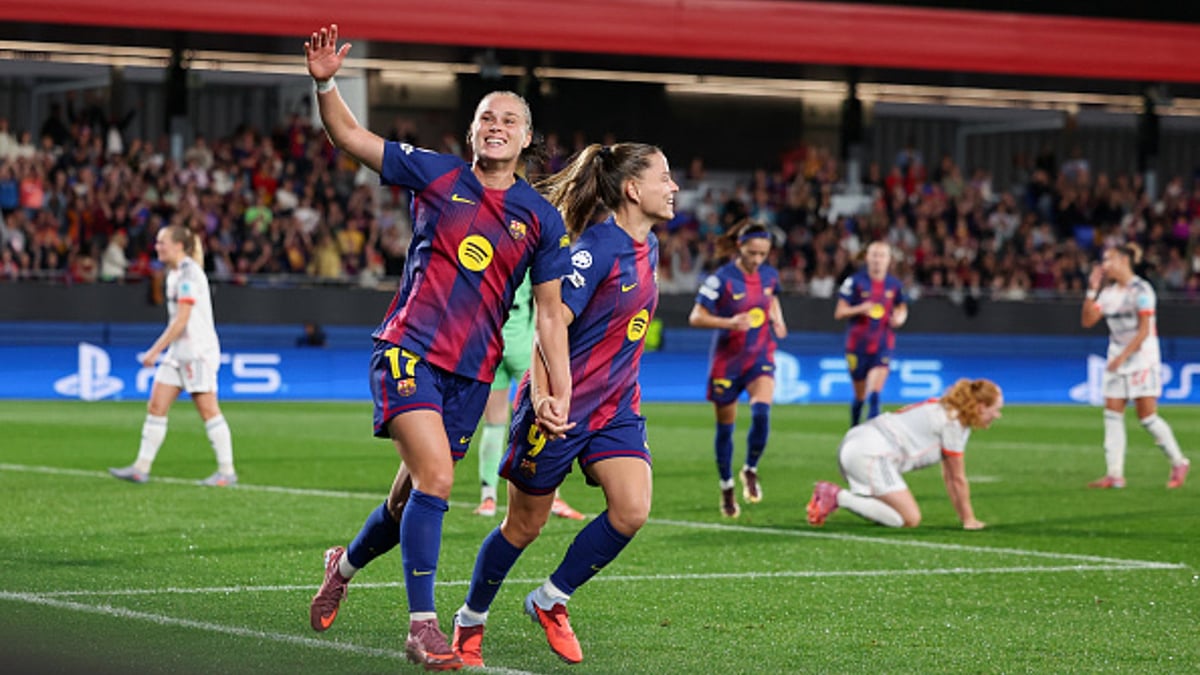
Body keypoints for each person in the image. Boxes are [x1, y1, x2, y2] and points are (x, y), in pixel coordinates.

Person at [302, 25, 572, 672]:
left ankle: (344, 565)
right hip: (409, 349)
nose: (496, 126)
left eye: (509, 120)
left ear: (526, 138)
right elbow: (350, 137)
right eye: (486, 118)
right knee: (439, 481)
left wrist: (556, 390)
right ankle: (422, 627)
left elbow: (549, 313)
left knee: (405, 503)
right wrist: (326, 85)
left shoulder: (541, 218)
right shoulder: (436, 172)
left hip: (472, 373)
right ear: (472, 131)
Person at [449, 142, 676, 668]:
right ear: (633, 189)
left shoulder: (650, 245)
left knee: (632, 510)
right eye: (664, 176)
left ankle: (551, 599)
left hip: (615, 409)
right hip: (557, 409)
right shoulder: (593, 252)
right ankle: (470, 619)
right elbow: (548, 327)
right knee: (523, 527)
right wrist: (545, 396)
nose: (674, 187)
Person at [108, 225, 236, 487]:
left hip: (197, 353)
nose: (157, 247)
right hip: (179, 353)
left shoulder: (189, 274)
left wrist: (154, 351)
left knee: (208, 410)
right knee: (156, 406)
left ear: (178, 246)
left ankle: (227, 472)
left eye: (162, 242)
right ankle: (140, 468)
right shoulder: (175, 273)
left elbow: (182, 320)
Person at [805, 378, 1004, 529]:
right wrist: (968, 519)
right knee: (909, 519)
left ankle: (839, 498)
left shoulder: (943, 407)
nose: (997, 415)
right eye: (995, 410)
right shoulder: (954, 423)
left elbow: (950, 476)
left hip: (855, 442)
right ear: (980, 407)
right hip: (872, 454)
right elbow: (955, 478)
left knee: (892, 513)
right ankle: (837, 496)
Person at [687, 220, 787, 518]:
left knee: (762, 413)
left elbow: (772, 297)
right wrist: (728, 322)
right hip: (727, 363)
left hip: (760, 357)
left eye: (763, 254)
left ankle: (750, 469)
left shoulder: (769, 275)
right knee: (725, 429)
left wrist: (778, 319)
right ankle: (727, 486)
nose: (757, 259)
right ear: (740, 247)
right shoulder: (721, 279)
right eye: (752, 253)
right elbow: (696, 317)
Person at [474, 270, 584, 521]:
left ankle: (488, 498)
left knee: (494, 423)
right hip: (524, 348)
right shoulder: (530, 263)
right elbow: (547, 308)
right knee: (543, 421)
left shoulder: (490, 263)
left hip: (491, 345)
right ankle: (552, 496)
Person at [1081, 244, 1189, 489]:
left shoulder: (1142, 290)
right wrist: (1091, 290)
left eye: (1108, 260)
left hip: (1142, 358)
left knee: (1147, 417)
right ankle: (1114, 474)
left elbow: (1144, 331)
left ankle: (1179, 461)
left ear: (1123, 260)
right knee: (1112, 413)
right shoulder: (1108, 293)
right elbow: (1088, 321)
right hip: (1117, 356)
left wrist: (1122, 357)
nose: (1104, 265)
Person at [835, 240, 908, 426]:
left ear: (889, 259)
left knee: (875, 393)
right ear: (867, 257)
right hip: (856, 346)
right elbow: (840, 312)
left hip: (883, 344)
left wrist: (900, 317)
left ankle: (871, 437)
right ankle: (854, 429)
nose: (877, 259)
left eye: (882, 255)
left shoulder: (894, 285)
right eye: (874, 255)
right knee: (860, 396)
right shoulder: (854, 282)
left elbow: (901, 307)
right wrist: (860, 308)